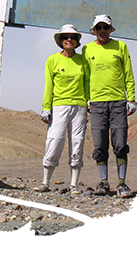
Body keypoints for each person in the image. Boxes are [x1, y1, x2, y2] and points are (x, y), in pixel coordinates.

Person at [82, 14, 137, 198]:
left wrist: (131, 99)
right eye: (99, 28)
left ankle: (122, 184)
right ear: (94, 30)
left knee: (120, 144)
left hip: (118, 102)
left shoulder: (120, 46)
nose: (102, 31)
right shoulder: (87, 49)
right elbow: (86, 77)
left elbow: (128, 73)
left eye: (106, 27)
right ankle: (104, 182)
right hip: (97, 104)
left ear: (110, 29)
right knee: (99, 145)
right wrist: (87, 100)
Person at [34, 24, 88, 194]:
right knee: (55, 140)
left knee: (77, 142)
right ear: (60, 41)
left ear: (77, 40)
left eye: (72, 37)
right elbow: (48, 85)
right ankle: (45, 182)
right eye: (65, 37)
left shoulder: (83, 60)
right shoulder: (52, 60)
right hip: (59, 106)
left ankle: (74, 185)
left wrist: (89, 101)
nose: (69, 40)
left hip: (79, 107)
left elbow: (87, 83)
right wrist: (46, 108)